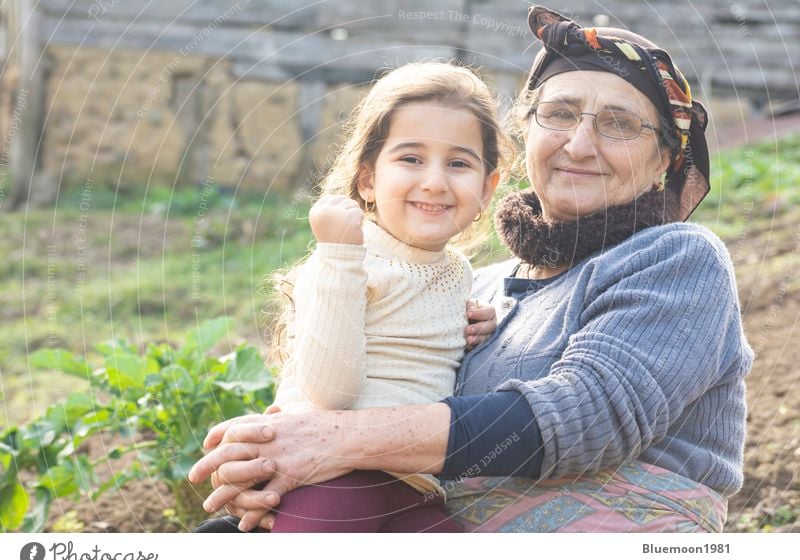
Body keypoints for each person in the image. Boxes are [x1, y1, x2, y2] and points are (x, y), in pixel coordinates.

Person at [189, 6, 753, 533]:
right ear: (526, 131)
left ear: (664, 160)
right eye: (558, 114)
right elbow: (372, 388)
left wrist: (333, 441)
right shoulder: (472, 288)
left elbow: (586, 416)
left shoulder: (676, 258)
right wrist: (268, 458)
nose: (580, 145)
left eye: (620, 124)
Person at [196, 62, 508, 532]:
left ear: (487, 189)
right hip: (326, 476)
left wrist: (477, 326)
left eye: (459, 163)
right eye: (411, 159)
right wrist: (339, 257)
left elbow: (414, 349)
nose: (435, 182)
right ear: (367, 180)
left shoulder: (457, 273)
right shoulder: (343, 260)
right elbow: (330, 391)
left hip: (414, 485)